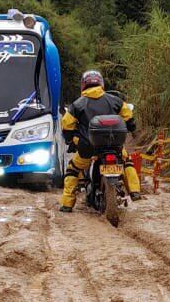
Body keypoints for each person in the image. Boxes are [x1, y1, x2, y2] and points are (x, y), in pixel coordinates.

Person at [59, 69, 142, 213]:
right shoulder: (116, 100)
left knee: (73, 169)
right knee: (126, 162)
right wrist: (131, 128)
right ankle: (134, 191)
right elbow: (129, 118)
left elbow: (67, 125)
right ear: (101, 83)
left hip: (88, 149)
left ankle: (67, 204)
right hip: (114, 147)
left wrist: (70, 141)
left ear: (83, 85)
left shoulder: (77, 105)